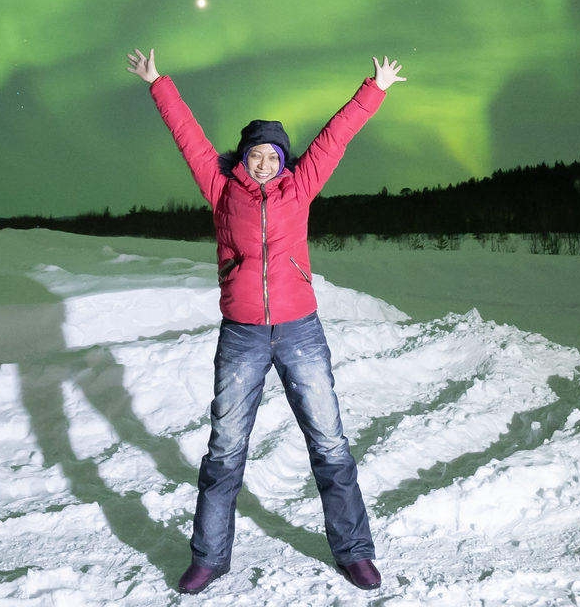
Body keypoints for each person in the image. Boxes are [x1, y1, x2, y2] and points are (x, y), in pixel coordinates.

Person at [124, 48, 405, 594]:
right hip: (243, 335)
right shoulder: (220, 188)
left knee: (329, 443)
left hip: (301, 330)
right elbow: (188, 135)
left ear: (283, 159)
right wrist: (157, 82)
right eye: (256, 153)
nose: (264, 162)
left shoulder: (299, 187)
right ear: (243, 156)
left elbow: (335, 137)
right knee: (225, 449)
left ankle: (354, 552)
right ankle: (209, 558)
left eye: (273, 154)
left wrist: (375, 89)